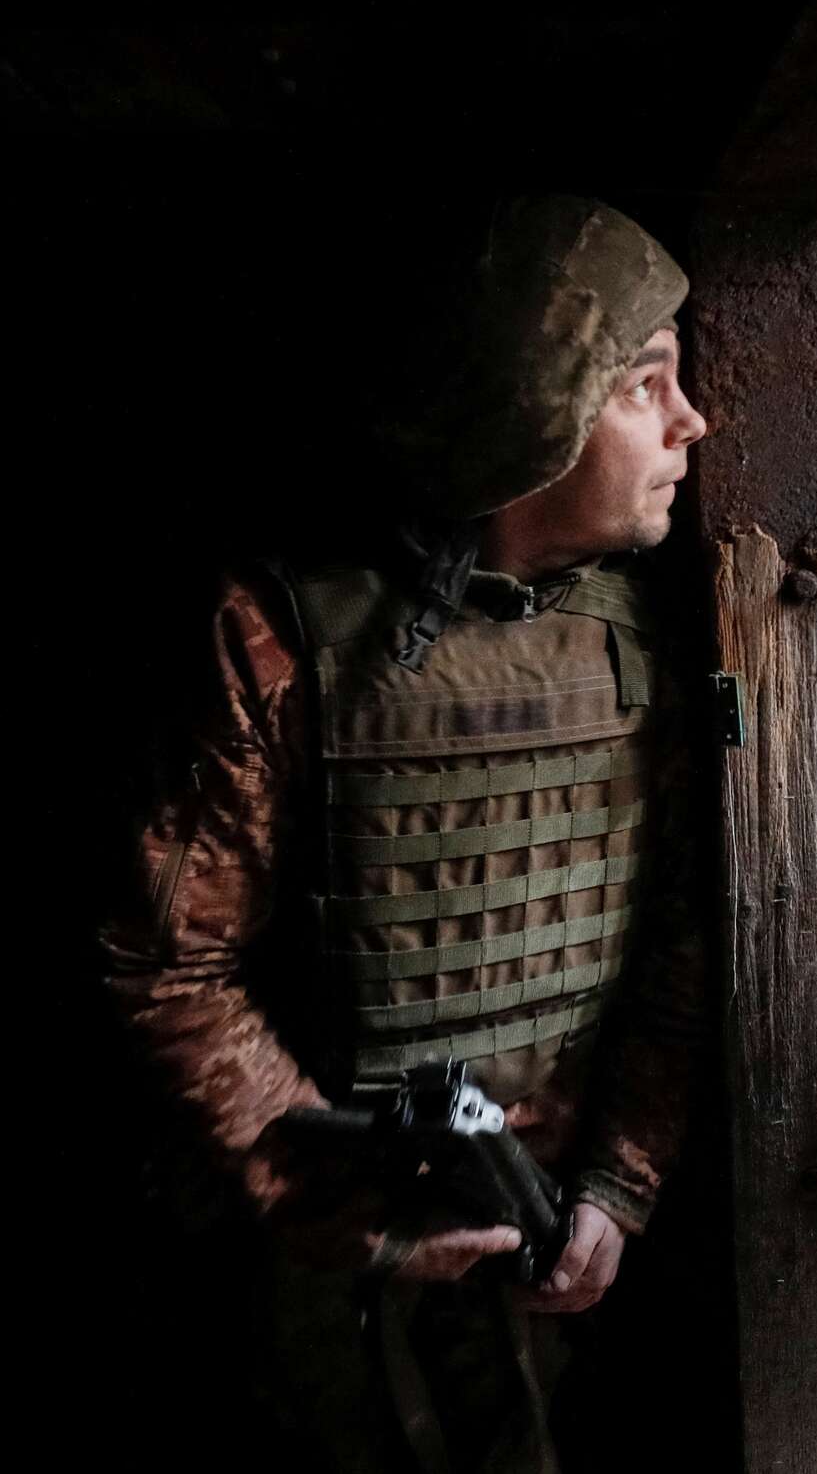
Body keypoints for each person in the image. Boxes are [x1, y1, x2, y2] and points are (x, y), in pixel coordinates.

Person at [98, 195, 712, 1473]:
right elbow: (166, 963)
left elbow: (679, 941)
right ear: (533, 414)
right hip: (325, 1268)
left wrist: (618, 1184)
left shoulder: (646, 639)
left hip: (555, 1256)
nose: (689, 421)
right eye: (643, 386)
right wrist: (342, 1210)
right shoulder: (280, 638)